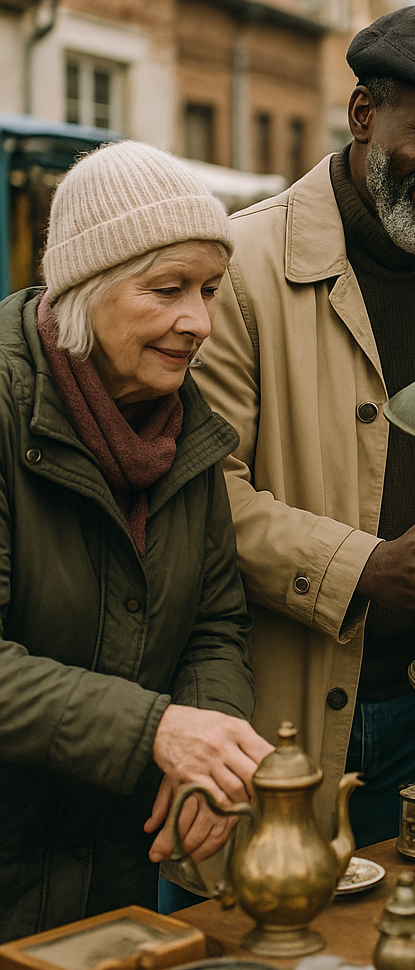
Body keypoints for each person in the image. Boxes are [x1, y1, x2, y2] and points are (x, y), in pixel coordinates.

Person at [191, 4, 415, 847]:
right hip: (272, 718)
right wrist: (370, 566)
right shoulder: (239, 272)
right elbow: (207, 500)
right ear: (363, 115)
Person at [0, 140, 273, 941]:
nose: (200, 323)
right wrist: (156, 730)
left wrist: (210, 756)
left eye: (211, 290)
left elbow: (215, 624)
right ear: (84, 290)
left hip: (110, 866)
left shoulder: (185, 428)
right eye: (167, 291)